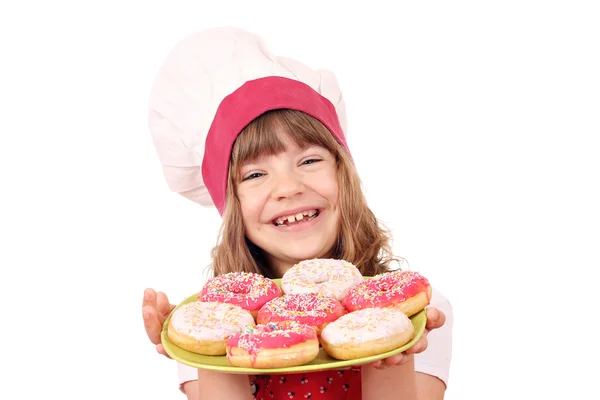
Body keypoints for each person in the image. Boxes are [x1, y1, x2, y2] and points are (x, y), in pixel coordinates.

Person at [142, 26, 453, 400]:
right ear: (232, 206)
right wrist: (206, 352)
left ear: (344, 177)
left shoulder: (422, 313)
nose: (288, 187)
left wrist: (391, 351)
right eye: (255, 174)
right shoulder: (203, 321)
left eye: (308, 160)